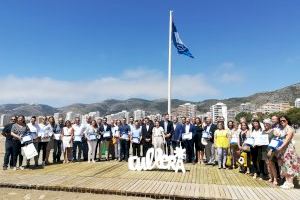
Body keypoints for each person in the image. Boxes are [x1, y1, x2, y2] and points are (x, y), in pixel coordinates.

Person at [276, 115, 300, 189]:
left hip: (288, 149)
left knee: (289, 165)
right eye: (281, 121)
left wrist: (281, 147)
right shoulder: (282, 129)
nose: (282, 122)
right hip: (282, 150)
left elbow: (287, 140)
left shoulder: (290, 129)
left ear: (287, 120)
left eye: (284, 120)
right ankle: (287, 181)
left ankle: (290, 183)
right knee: (284, 165)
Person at [263, 118, 278, 185]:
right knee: (267, 164)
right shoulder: (263, 131)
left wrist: (271, 150)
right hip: (264, 149)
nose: (265, 125)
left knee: (272, 164)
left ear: (269, 124)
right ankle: (271, 177)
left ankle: (275, 179)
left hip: (271, 150)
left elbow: (276, 140)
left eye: (266, 124)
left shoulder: (273, 131)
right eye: (264, 124)